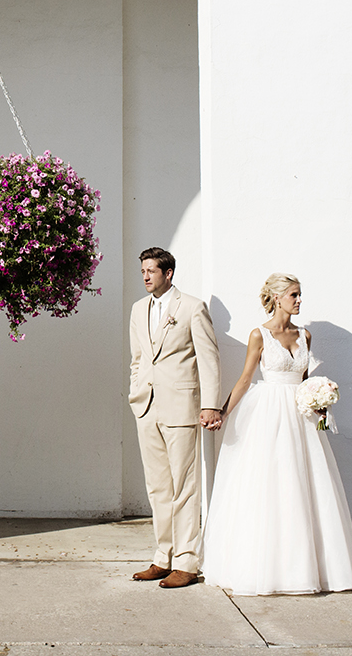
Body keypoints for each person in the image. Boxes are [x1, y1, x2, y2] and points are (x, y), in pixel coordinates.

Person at [202, 272, 352, 595]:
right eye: (294, 295)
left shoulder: (305, 335)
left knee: (304, 488)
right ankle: (266, 569)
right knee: (269, 488)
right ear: (277, 298)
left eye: (300, 294)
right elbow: (246, 379)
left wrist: (320, 405)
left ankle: (304, 569)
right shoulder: (259, 335)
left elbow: (303, 380)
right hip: (268, 415)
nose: (300, 300)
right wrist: (222, 411)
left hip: (301, 417)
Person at [128, 246, 222, 589]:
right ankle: (162, 557)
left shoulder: (192, 307)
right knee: (158, 487)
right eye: (143, 272)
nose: (146, 277)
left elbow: (208, 357)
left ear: (168, 273)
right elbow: (138, 358)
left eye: (151, 271)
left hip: (182, 407)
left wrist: (210, 404)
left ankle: (186, 561)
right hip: (146, 407)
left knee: (184, 486)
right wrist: (135, 390)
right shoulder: (139, 309)